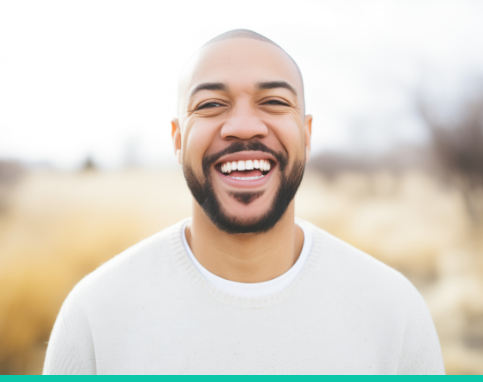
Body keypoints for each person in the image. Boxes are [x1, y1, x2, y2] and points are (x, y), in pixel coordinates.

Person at [43, 29, 445, 375]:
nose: (243, 127)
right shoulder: (94, 315)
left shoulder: (395, 312)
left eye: (273, 101)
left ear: (306, 134)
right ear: (178, 139)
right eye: (211, 105)